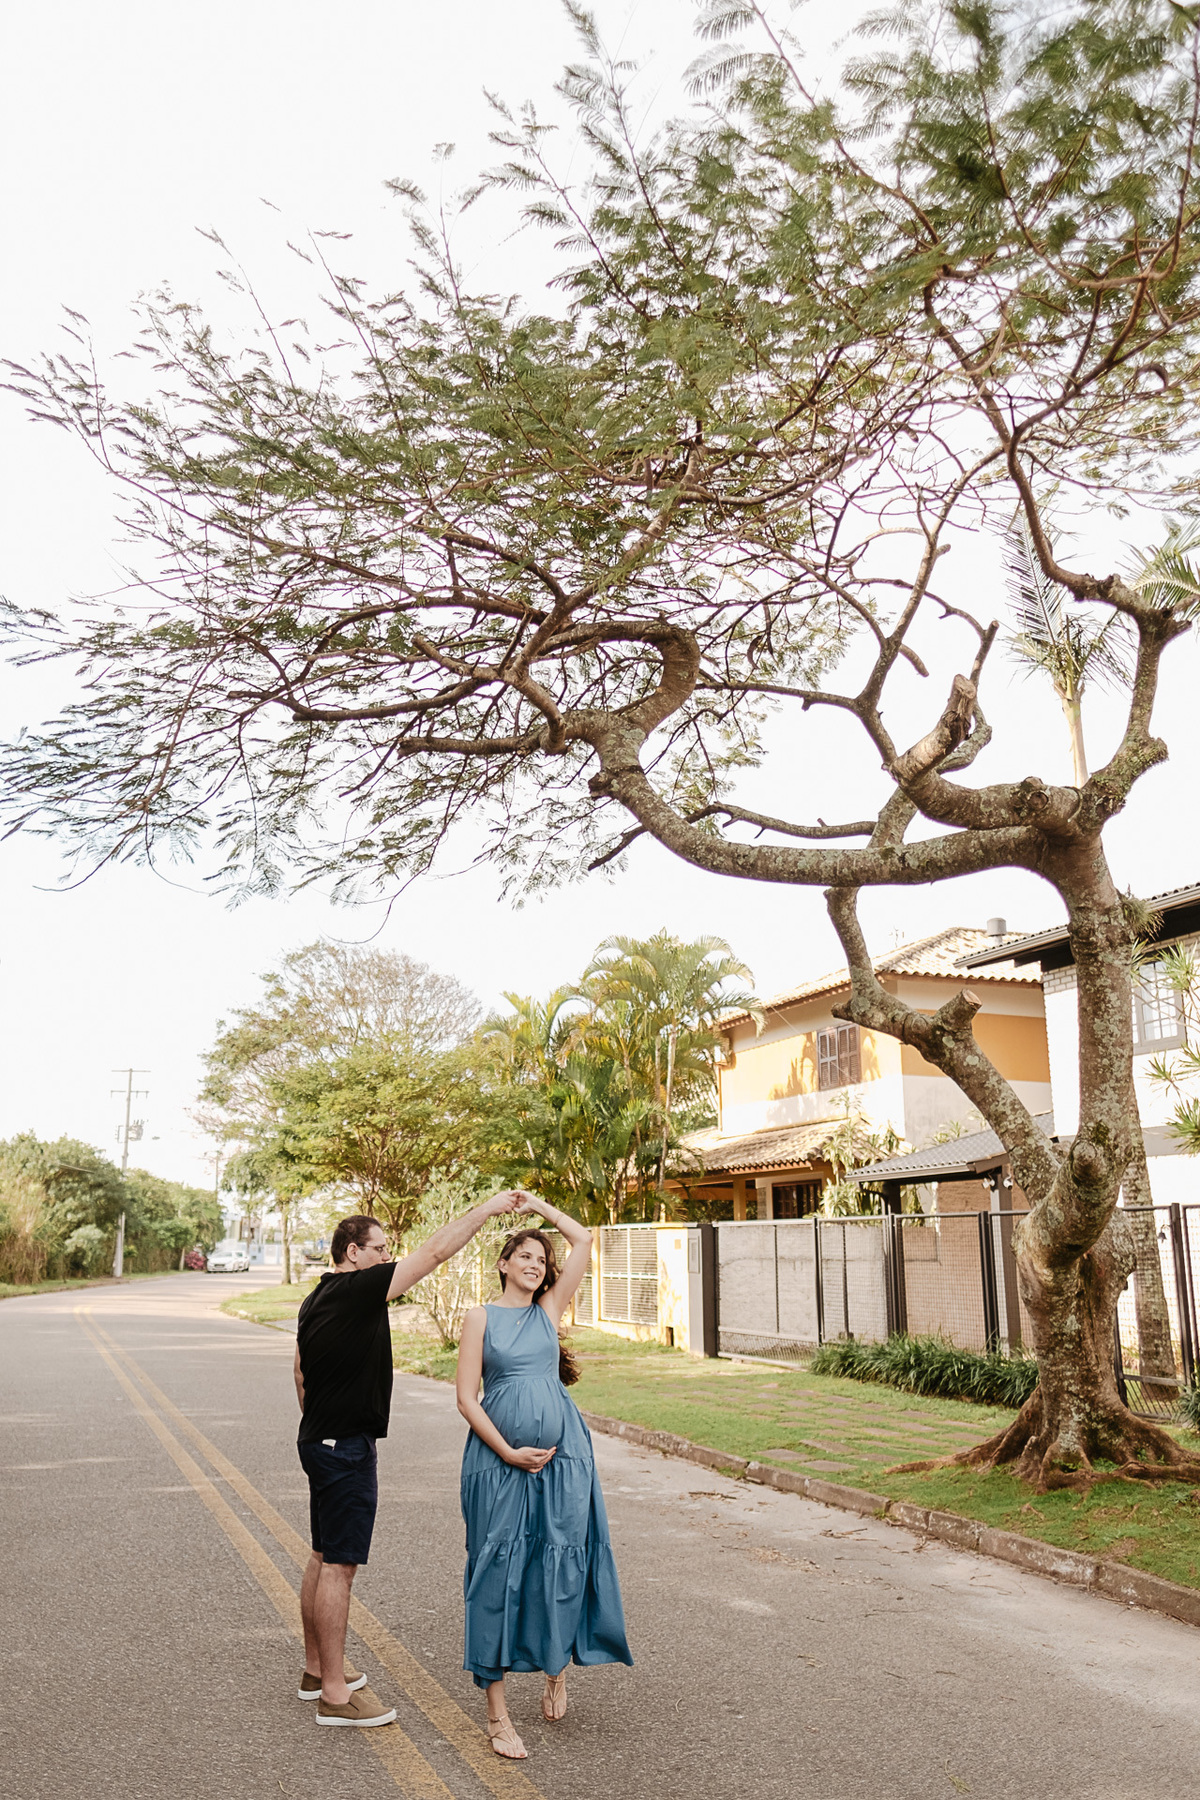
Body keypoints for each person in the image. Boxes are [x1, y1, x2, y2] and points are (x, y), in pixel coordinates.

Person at [294, 1194, 521, 1727]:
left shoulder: (316, 1298)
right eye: (380, 1249)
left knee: (322, 1555)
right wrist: (486, 1209)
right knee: (339, 1568)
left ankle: (314, 1671)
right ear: (354, 1253)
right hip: (343, 1447)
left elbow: (300, 1374)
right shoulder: (357, 1289)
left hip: (321, 1439)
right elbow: (435, 1253)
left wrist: (323, 1421)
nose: (387, 1258)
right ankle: (333, 1694)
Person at [455, 1194, 633, 1760]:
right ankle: (497, 1716)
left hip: (564, 1460)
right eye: (524, 1255)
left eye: (541, 1259)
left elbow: (583, 1239)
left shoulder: (548, 1311)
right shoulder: (479, 1317)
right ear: (504, 1264)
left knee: (561, 1556)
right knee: (496, 1572)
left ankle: (556, 1665)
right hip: (497, 1464)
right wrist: (507, 1451)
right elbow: (465, 1398)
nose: (535, 1264)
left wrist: (535, 1205)